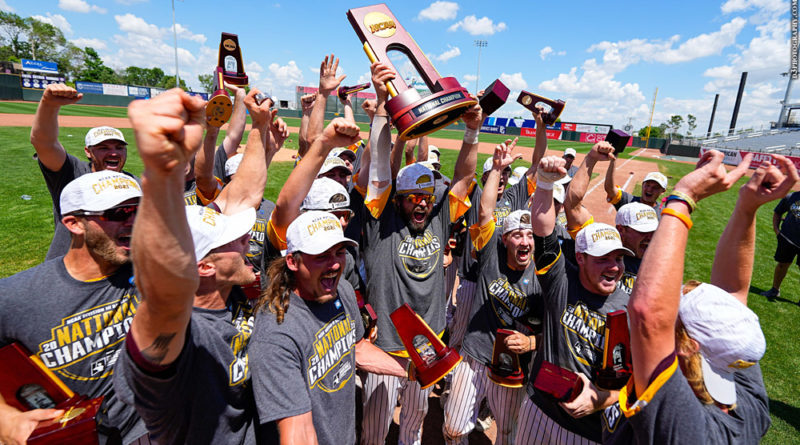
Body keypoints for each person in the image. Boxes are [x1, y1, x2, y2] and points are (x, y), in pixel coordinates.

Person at [113, 87, 275, 444]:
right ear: (202, 268)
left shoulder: (229, 296)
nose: (248, 240)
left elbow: (245, 196)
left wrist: (259, 127)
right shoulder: (179, 335)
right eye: (235, 240)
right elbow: (164, 293)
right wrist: (162, 174)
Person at [602, 150, 796, 444]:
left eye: (676, 314)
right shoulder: (741, 388)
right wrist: (747, 207)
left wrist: (684, 196)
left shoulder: (686, 426)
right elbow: (731, 292)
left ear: (690, 346)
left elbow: (649, 317)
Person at [359, 61, 479, 445]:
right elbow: (379, 170)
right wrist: (381, 107)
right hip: (388, 347)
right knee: (376, 431)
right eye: (413, 198)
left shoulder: (439, 220)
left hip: (429, 343)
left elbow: (463, 179)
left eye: (427, 198)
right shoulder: (382, 225)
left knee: (414, 421)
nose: (422, 205)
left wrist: (473, 132)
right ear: (399, 200)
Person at [0, 171, 146, 444]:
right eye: (119, 213)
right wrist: (6, 420)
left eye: (140, 210)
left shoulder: (152, 268)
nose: (134, 221)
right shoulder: (16, 296)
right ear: (74, 223)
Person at [250, 211, 407, 445]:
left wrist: (409, 370)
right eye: (321, 256)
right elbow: (297, 429)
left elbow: (358, 348)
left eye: (340, 252)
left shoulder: (341, 290)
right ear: (293, 261)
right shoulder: (276, 333)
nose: (334, 264)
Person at [515, 156, 632, 444]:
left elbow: (646, 377)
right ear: (579, 258)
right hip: (539, 409)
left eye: (618, 258)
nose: (614, 267)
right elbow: (542, 231)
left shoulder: (631, 307)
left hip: (589, 431)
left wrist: (603, 398)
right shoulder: (561, 283)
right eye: (603, 258)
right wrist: (543, 183)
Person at [442, 140, 542, 445]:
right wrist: (497, 168)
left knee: (510, 434)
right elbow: (485, 212)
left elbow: (553, 328)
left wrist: (531, 342)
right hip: (473, 357)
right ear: (504, 240)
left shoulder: (543, 275)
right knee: (454, 429)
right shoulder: (489, 258)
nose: (524, 241)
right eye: (516, 235)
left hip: (512, 369)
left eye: (529, 235)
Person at [31, 83, 138, 260]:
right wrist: (48, 105)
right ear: (88, 151)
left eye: (119, 147)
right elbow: (44, 143)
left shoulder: (133, 183)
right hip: (69, 268)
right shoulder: (72, 172)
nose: (113, 152)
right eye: (103, 147)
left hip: (113, 270)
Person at [564, 142, 659, 295]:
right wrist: (590, 158)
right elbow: (572, 205)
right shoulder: (597, 244)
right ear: (621, 230)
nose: (650, 237)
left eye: (653, 231)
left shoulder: (658, 265)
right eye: (643, 231)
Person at [762, 190, 800, 300]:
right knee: (782, 264)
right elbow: (778, 212)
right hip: (787, 239)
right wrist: (776, 230)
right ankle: (774, 290)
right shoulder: (792, 197)